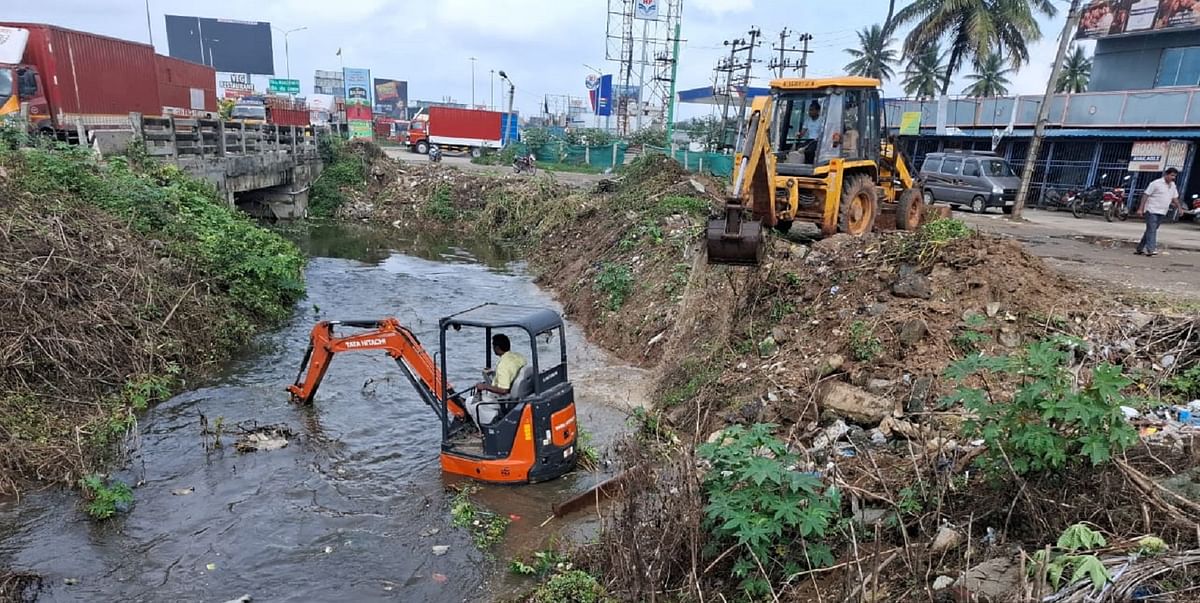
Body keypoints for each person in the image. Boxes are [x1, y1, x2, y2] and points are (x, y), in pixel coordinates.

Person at [467, 334, 526, 425]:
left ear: (497, 348)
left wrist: (485, 386)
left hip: (504, 398)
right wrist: (494, 373)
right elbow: (511, 373)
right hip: (520, 392)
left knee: (470, 402)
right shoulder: (518, 357)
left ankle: (486, 427)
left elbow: (504, 390)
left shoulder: (503, 365)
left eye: (493, 346)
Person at [1135, 167, 1182, 257]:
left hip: (1162, 211)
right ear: (1166, 174)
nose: (1173, 178)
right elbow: (1146, 195)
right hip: (1151, 209)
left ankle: (1140, 248)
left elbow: (1174, 198)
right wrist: (1141, 209)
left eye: (1175, 176)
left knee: (1151, 230)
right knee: (1152, 229)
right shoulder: (1156, 183)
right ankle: (1151, 249)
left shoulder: (1173, 185)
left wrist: (1179, 208)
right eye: (1172, 175)